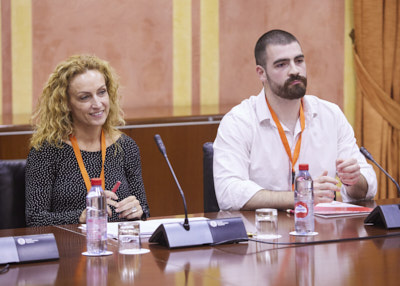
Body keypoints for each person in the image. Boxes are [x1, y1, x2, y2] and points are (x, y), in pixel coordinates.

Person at [213, 29, 377, 211]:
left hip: (321, 232)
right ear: (261, 73)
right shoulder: (238, 122)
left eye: (299, 61)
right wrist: (302, 195)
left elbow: (368, 188)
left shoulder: (331, 115)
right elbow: (228, 193)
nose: (295, 70)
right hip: (264, 233)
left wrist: (353, 181)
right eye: (281, 65)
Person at [25, 54, 150, 226]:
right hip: (71, 248)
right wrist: (82, 216)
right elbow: (35, 219)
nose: (98, 103)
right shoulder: (47, 150)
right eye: (85, 97)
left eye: (101, 92)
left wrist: (138, 209)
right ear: (66, 104)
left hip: (118, 247)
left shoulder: (125, 146)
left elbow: (143, 209)